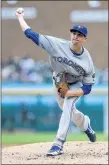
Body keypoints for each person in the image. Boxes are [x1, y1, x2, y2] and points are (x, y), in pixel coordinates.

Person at [16, 8, 96, 156]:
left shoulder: (87, 61)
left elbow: (87, 88)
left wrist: (70, 93)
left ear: (85, 39)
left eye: (80, 35)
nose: (76, 36)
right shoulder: (56, 44)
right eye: (74, 33)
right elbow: (30, 33)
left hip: (76, 84)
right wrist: (20, 17)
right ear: (70, 34)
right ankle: (86, 124)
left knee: (67, 105)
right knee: (70, 112)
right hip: (60, 81)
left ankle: (58, 144)